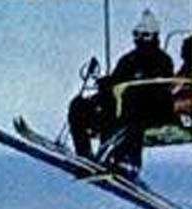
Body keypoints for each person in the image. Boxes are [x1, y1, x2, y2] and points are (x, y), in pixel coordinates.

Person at [68, 9, 175, 178]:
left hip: (148, 111)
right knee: (79, 105)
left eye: (145, 36)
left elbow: (161, 88)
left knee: (133, 106)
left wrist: (132, 89)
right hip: (117, 111)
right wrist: (105, 84)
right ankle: (84, 154)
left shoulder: (162, 61)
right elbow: (116, 79)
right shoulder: (128, 60)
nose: (140, 40)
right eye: (137, 35)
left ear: (155, 36)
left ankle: (128, 162)